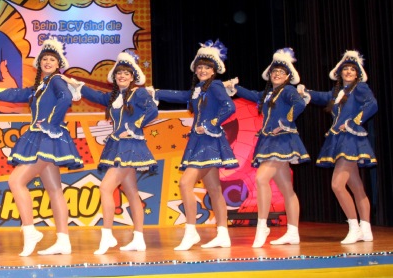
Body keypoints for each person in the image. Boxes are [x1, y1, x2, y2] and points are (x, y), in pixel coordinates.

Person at [0, 37, 83, 256]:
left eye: (52, 59)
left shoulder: (56, 80)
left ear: (58, 64)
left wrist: (51, 123)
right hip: (42, 136)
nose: (48, 62)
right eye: (44, 59)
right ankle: (63, 240)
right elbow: (17, 94)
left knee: (16, 181)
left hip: (47, 136)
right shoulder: (40, 86)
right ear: (39, 63)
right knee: (54, 189)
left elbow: (66, 98)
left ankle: (30, 231)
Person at [64, 50, 158, 255]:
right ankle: (139, 238)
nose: (122, 76)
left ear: (133, 76)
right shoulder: (114, 97)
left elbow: (153, 111)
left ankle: (107, 235)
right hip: (118, 145)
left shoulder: (139, 93)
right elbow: (95, 95)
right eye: (119, 73)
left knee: (105, 187)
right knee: (131, 192)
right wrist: (75, 84)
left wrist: (133, 127)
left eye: (126, 73)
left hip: (130, 145)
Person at [150, 39, 238, 251]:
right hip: (199, 142)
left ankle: (191, 232)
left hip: (209, 141)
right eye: (199, 67)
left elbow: (229, 106)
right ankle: (223, 234)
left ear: (214, 70)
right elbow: (182, 96)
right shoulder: (199, 89)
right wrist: (155, 92)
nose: (202, 70)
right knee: (214, 189)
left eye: (206, 67)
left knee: (185, 183)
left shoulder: (215, 86)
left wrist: (210, 124)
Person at [225, 48, 310, 247]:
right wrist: (234, 86)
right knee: (287, 188)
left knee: (261, 178)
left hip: (281, 141)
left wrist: (285, 122)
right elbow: (252, 95)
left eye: (281, 72)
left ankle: (262, 226)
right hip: (270, 141)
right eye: (274, 72)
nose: (277, 74)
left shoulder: (288, 91)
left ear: (288, 76)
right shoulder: (268, 94)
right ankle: (293, 232)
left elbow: (299, 104)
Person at [297, 50, 378, 244]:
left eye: (352, 69)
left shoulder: (360, 88)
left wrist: (353, 122)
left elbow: (372, 104)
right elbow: (321, 97)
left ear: (358, 74)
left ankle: (354, 227)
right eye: (345, 69)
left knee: (337, 185)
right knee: (356, 186)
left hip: (350, 140)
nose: (348, 72)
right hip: (341, 139)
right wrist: (305, 91)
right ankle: (366, 229)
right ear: (340, 73)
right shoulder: (338, 92)